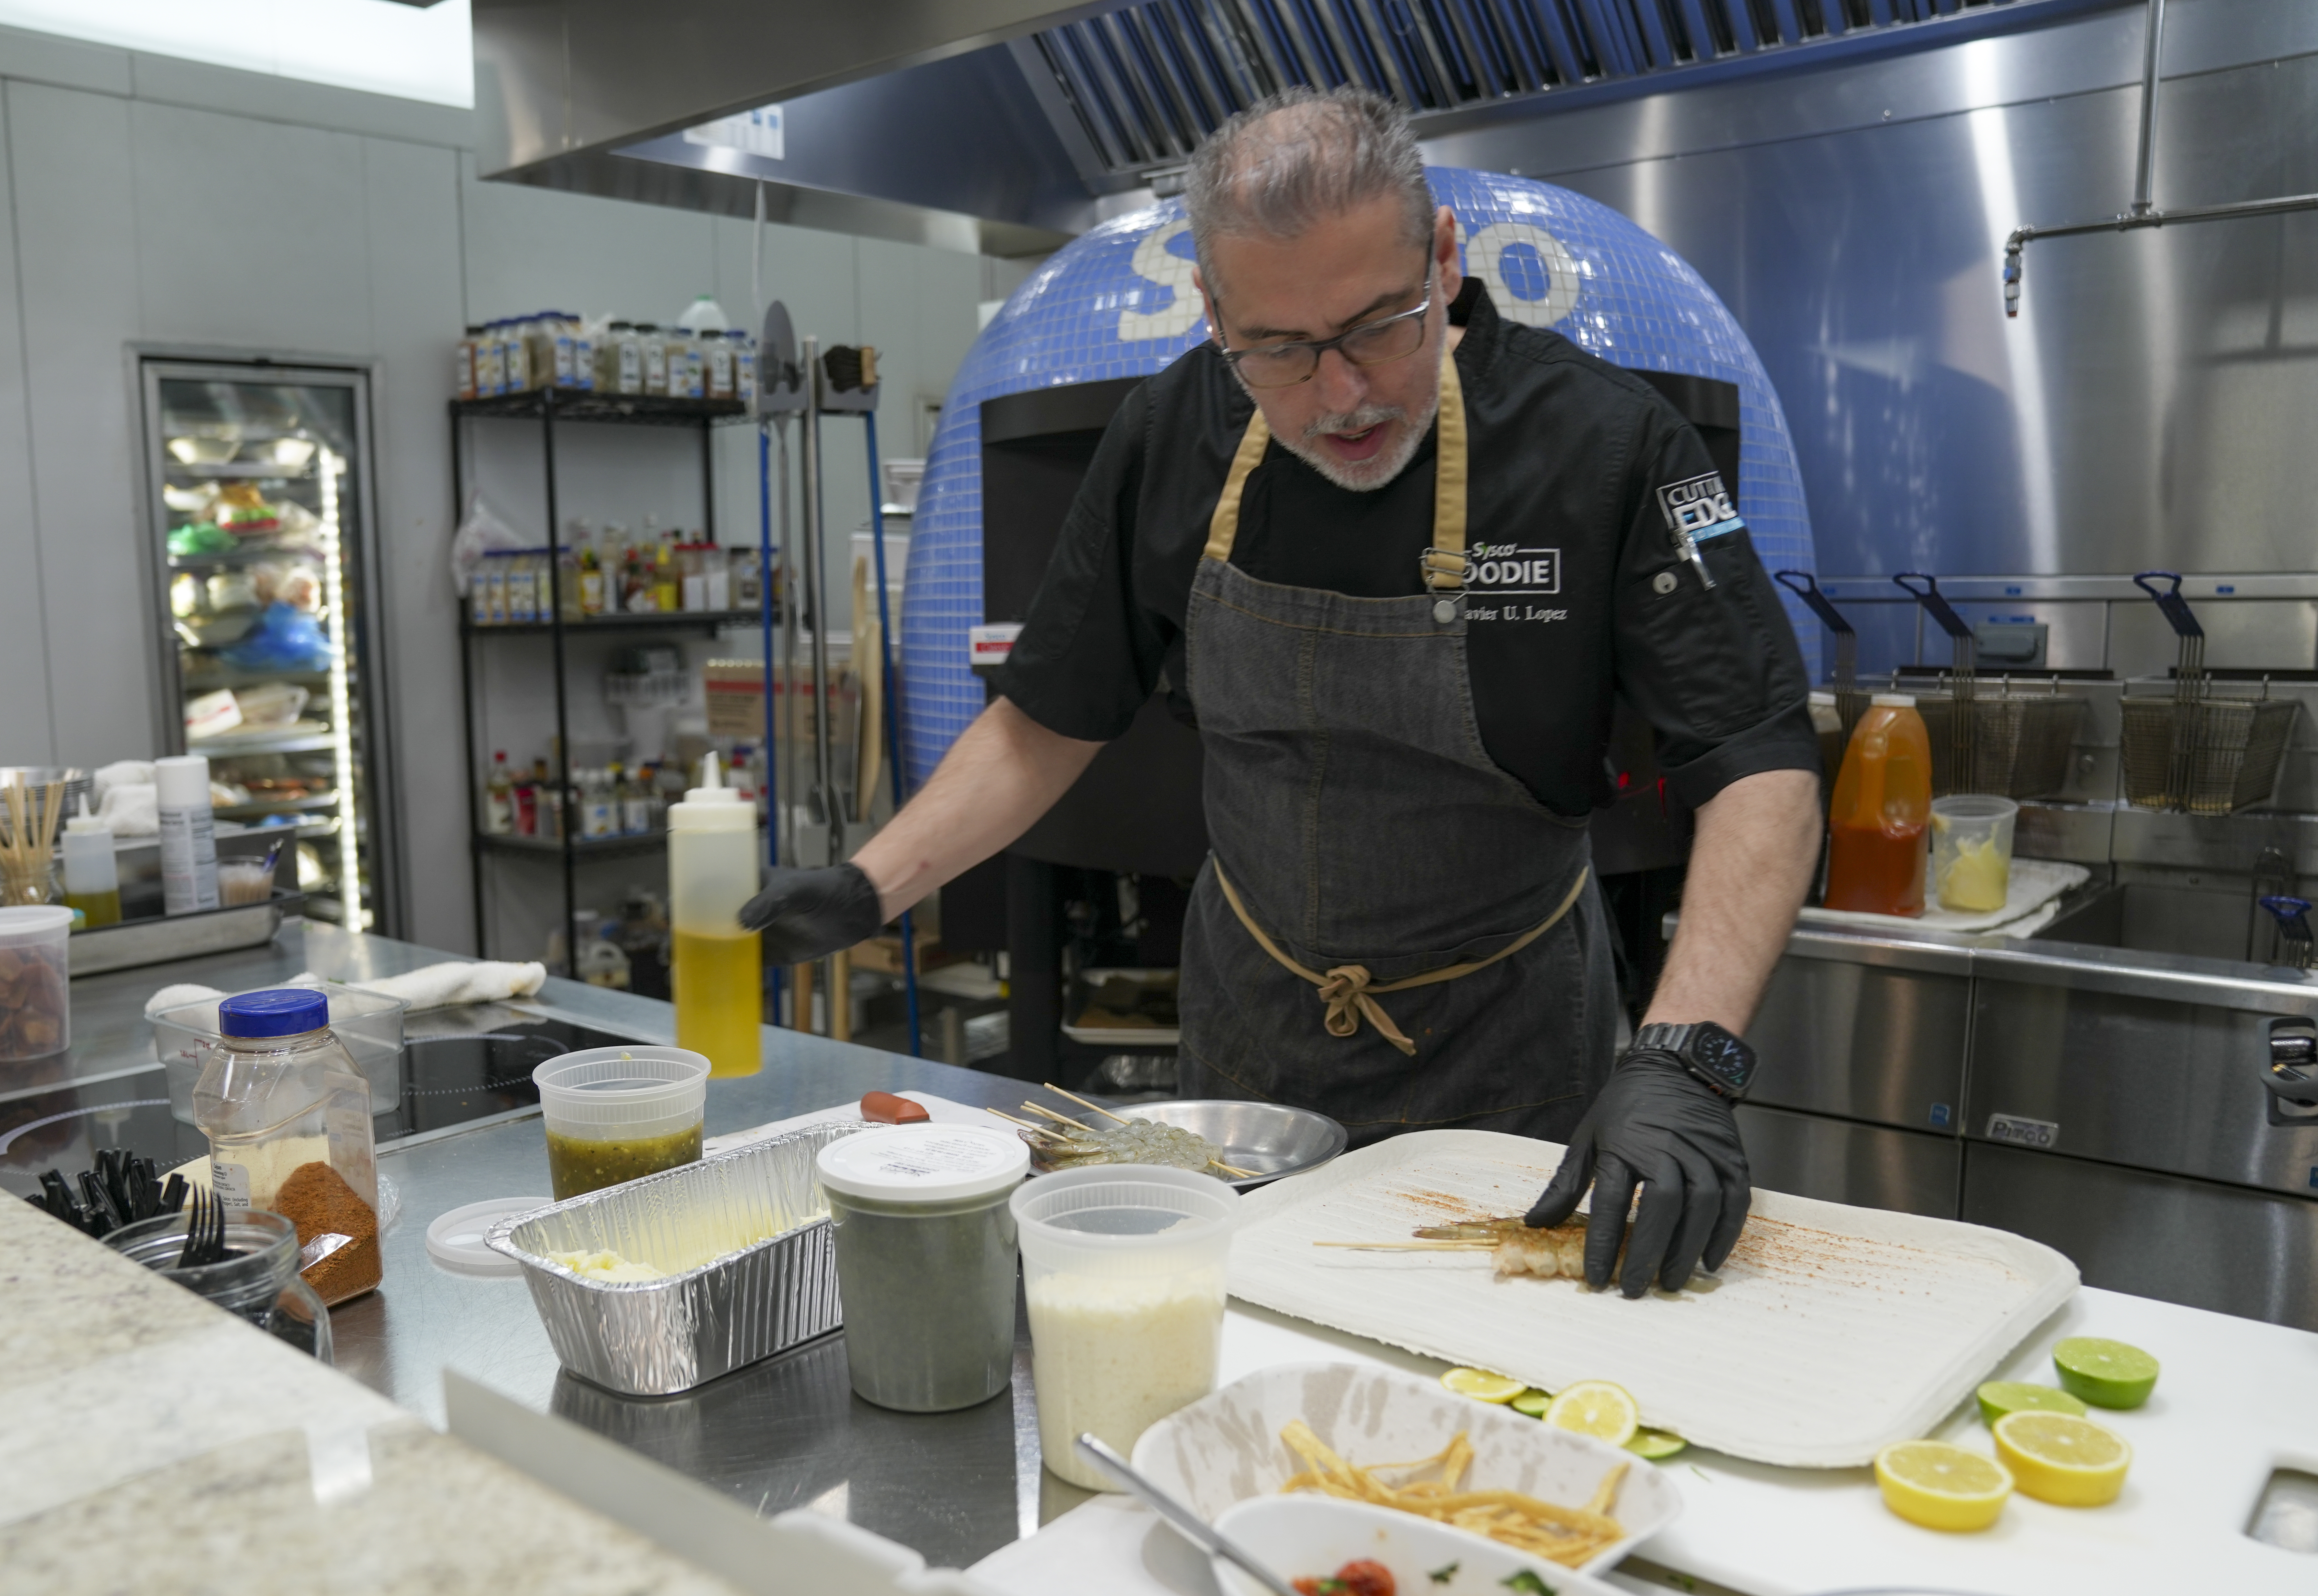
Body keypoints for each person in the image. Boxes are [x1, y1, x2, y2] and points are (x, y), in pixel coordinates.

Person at [742, 88, 1820, 1298]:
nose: (1343, 394)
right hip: (1250, 1040)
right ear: (1214, 313)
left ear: (1446, 265)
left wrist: (1686, 1061)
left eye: (1379, 328)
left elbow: (1759, 761)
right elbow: (1052, 715)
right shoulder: (1172, 433)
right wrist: (873, 882)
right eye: (1281, 352)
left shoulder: (1607, 445)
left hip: (1510, 1045)